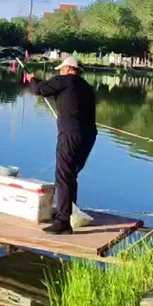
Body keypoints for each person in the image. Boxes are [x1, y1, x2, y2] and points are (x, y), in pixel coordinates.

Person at [25, 56, 97, 235]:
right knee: (71, 175)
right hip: (88, 136)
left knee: (64, 176)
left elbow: (38, 90)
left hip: (70, 135)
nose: (60, 71)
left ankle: (63, 222)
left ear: (69, 69)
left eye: (62, 69)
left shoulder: (64, 81)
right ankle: (69, 214)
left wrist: (31, 79)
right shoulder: (86, 87)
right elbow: (55, 90)